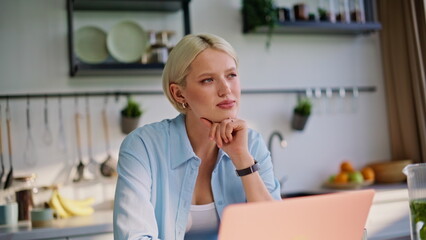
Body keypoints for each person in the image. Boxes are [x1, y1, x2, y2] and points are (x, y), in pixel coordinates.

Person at [113, 33, 281, 240]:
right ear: (178, 94)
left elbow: (274, 232)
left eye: (231, 75)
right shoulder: (143, 146)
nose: (226, 89)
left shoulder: (251, 144)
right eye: (208, 80)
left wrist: (243, 160)